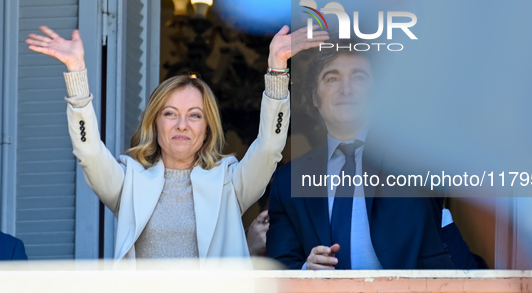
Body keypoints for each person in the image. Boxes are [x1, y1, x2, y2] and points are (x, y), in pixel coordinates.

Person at [25, 24, 328, 263]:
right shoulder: (129, 179)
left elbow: (269, 147)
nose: (182, 124)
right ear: (154, 124)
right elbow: (89, 152)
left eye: (194, 115)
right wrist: (76, 72)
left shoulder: (229, 181)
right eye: (170, 114)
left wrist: (277, 67)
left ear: (207, 129)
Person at [267, 48, 485, 270]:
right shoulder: (288, 181)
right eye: (332, 78)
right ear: (314, 96)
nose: (346, 89)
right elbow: (279, 268)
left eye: (359, 77)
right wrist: (306, 270)